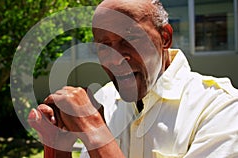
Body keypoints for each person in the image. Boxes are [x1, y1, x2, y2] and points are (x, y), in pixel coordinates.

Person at [28, 0, 238, 157]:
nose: (116, 59)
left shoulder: (222, 108)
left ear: (164, 38)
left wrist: (94, 130)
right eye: (104, 46)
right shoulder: (105, 98)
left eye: (130, 39)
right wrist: (59, 145)